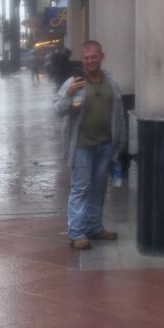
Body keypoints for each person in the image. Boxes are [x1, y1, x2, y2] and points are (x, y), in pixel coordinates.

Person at [54, 40, 126, 250]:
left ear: (101, 57)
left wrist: (119, 142)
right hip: (82, 147)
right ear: (82, 60)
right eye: (86, 57)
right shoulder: (74, 83)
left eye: (94, 56)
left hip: (105, 145)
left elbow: (119, 114)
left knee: (99, 188)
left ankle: (95, 227)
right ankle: (77, 233)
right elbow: (58, 109)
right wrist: (68, 95)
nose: (90, 60)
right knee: (81, 188)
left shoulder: (111, 83)